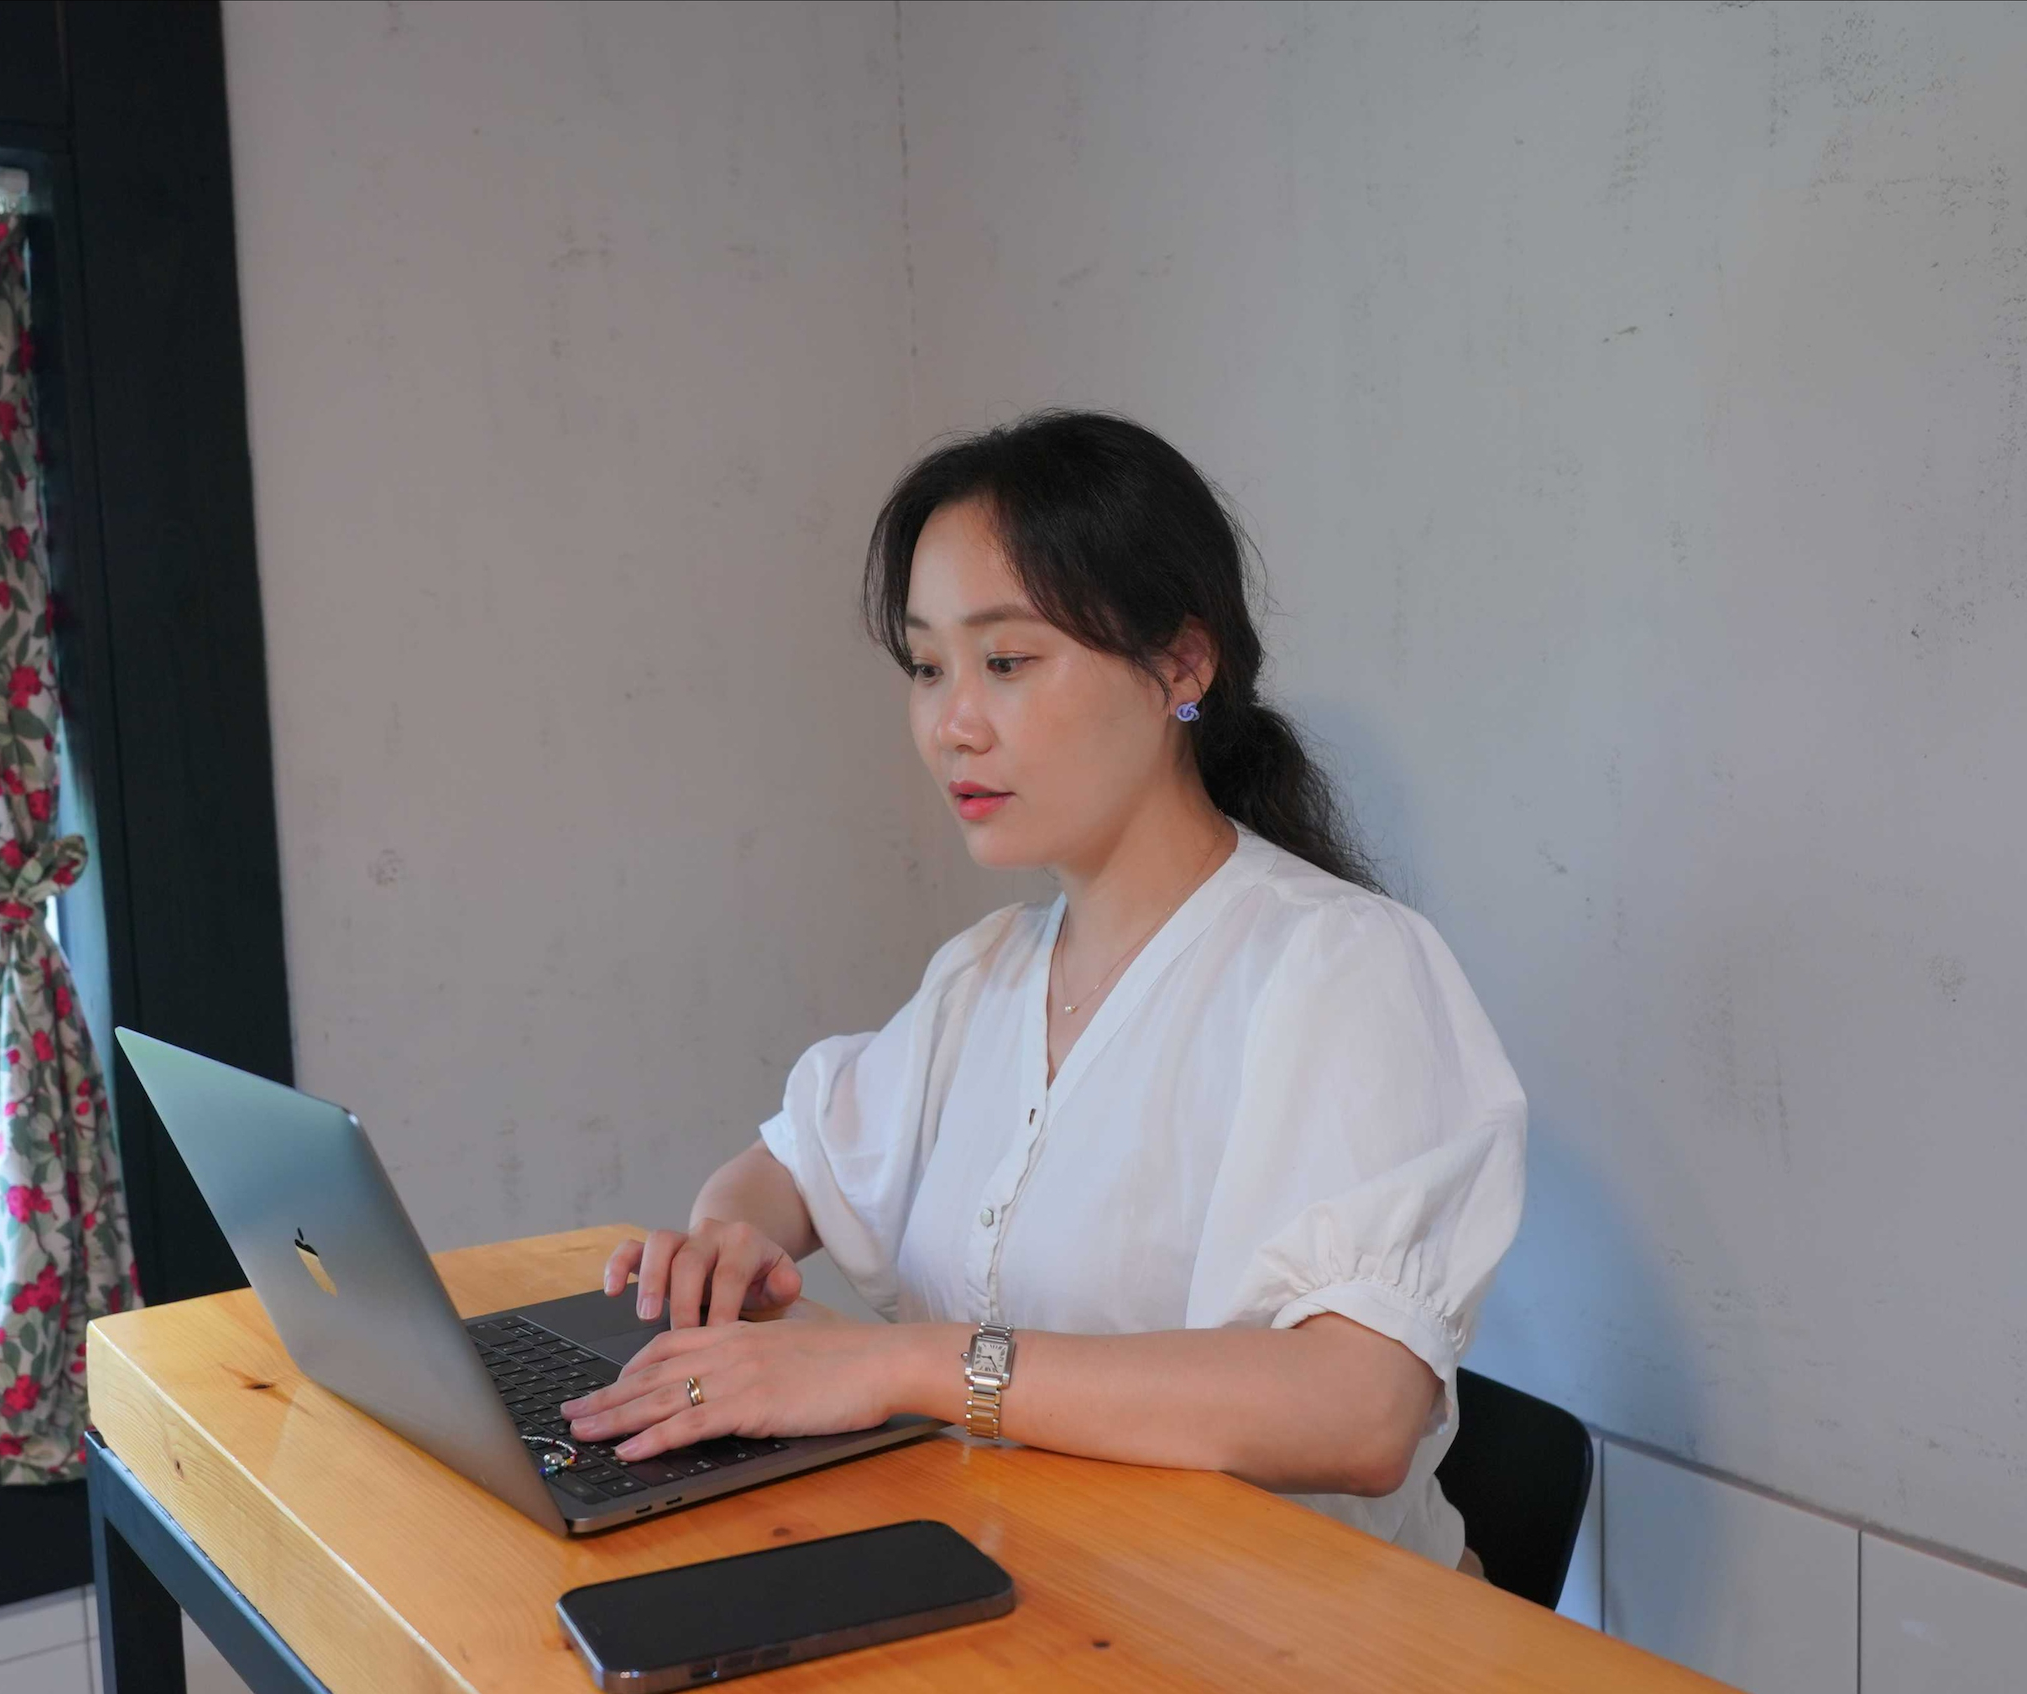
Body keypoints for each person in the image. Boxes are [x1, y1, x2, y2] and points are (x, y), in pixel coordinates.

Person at [561, 410, 1525, 1570]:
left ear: (1180, 664)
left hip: (1295, 1649)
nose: (950, 726)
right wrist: (723, 1238)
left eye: (1006, 662)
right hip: (1034, 1593)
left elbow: (1357, 1410)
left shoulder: (1339, 966)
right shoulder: (987, 975)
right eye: (926, 668)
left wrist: (904, 1364)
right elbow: (793, 1163)